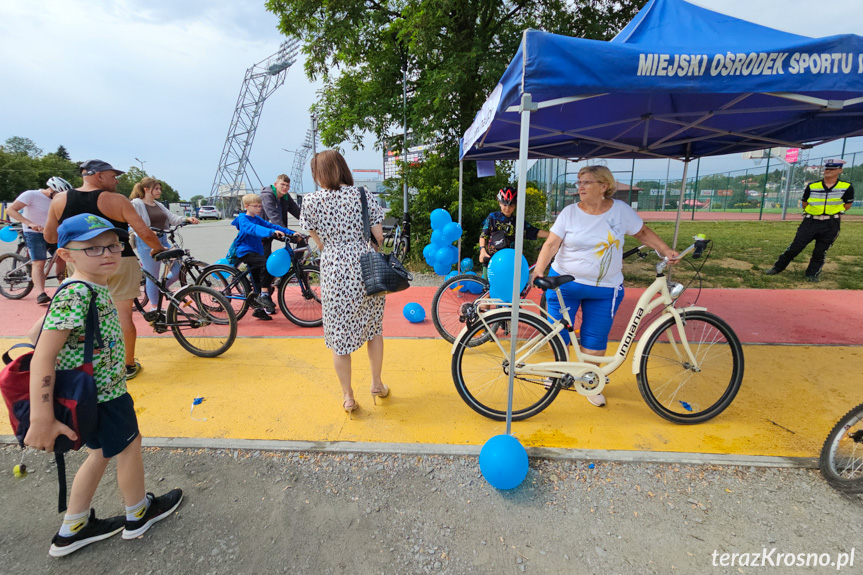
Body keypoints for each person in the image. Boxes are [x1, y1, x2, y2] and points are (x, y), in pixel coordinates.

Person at [25, 213, 182, 557]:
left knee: (101, 452)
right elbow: (42, 355)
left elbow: (34, 334)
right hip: (103, 394)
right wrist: (41, 418)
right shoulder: (78, 294)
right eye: (92, 248)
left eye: (112, 245)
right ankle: (139, 513)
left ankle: (74, 527)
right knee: (128, 446)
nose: (108, 253)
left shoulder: (84, 287)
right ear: (66, 254)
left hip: (98, 392)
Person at [530, 165, 678, 408]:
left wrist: (665, 250)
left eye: (586, 182)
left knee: (595, 339)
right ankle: (558, 372)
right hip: (564, 284)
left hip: (605, 289)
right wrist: (539, 270)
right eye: (579, 183)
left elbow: (642, 233)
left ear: (604, 186)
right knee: (557, 334)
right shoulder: (569, 213)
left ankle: (589, 381)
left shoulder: (620, 211)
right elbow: (552, 244)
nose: (580, 187)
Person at [43, 160, 164, 380]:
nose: (116, 180)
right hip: (119, 259)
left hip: (81, 263)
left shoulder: (59, 200)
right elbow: (143, 232)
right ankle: (127, 365)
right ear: (98, 175)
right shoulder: (116, 200)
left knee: (86, 313)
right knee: (123, 314)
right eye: (113, 176)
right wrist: (159, 248)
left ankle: (89, 362)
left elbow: (50, 237)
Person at [299, 150, 388, 416]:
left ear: (318, 173)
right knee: (373, 327)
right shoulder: (362, 195)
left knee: (339, 336)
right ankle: (376, 384)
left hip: (334, 269)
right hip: (365, 267)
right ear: (342, 168)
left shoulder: (310, 201)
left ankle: (348, 397)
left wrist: (337, 249)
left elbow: (319, 242)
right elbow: (379, 237)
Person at [765, 159, 855, 282]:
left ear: (840, 170)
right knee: (795, 247)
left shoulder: (846, 187)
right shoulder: (812, 186)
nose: (828, 171)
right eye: (827, 168)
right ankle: (777, 268)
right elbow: (804, 203)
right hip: (810, 222)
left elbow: (847, 205)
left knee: (820, 251)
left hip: (831, 224)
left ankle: (812, 274)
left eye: (832, 169)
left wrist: (831, 213)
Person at [130, 177, 199, 320]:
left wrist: (186, 219)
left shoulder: (158, 204)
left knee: (178, 267)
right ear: (146, 189)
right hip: (146, 241)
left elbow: (172, 218)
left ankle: (160, 289)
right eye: (156, 188)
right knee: (153, 274)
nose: (159, 191)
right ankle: (155, 307)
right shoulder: (137, 203)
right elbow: (131, 223)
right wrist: (146, 231)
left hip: (162, 240)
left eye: (159, 188)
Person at [5, 177, 74, 304]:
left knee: (62, 258)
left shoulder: (60, 200)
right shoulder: (31, 195)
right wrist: (29, 223)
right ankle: (41, 294)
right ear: (52, 190)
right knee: (39, 262)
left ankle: (62, 290)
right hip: (33, 233)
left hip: (53, 233)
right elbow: (10, 210)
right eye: (59, 194)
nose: (61, 197)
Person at [231, 193, 296, 320]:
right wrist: (271, 232)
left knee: (257, 281)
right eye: (255, 206)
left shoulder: (257, 218)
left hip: (256, 251)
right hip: (245, 252)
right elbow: (253, 229)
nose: (259, 208)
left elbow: (272, 225)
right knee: (268, 265)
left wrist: (291, 232)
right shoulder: (243, 219)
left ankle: (258, 309)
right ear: (246, 206)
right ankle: (264, 294)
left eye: (260, 206)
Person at [260, 174, 302, 314]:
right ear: (275, 184)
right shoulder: (268, 195)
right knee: (266, 260)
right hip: (262, 231)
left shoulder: (285, 197)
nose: (285, 188)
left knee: (300, 240)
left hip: (276, 229)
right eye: (282, 185)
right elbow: (273, 216)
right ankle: (264, 294)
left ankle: (292, 272)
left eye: (287, 186)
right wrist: (288, 232)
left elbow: (297, 212)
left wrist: (313, 223)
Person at [479, 186, 550, 268]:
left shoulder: (518, 221)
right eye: (504, 205)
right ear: (499, 203)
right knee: (486, 281)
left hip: (510, 262)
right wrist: (482, 250)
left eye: (511, 205)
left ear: (515, 205)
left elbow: (535, 232)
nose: (507, 208)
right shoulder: (493, 217)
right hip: (491, 261)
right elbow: (483, 236)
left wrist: (554, 235)